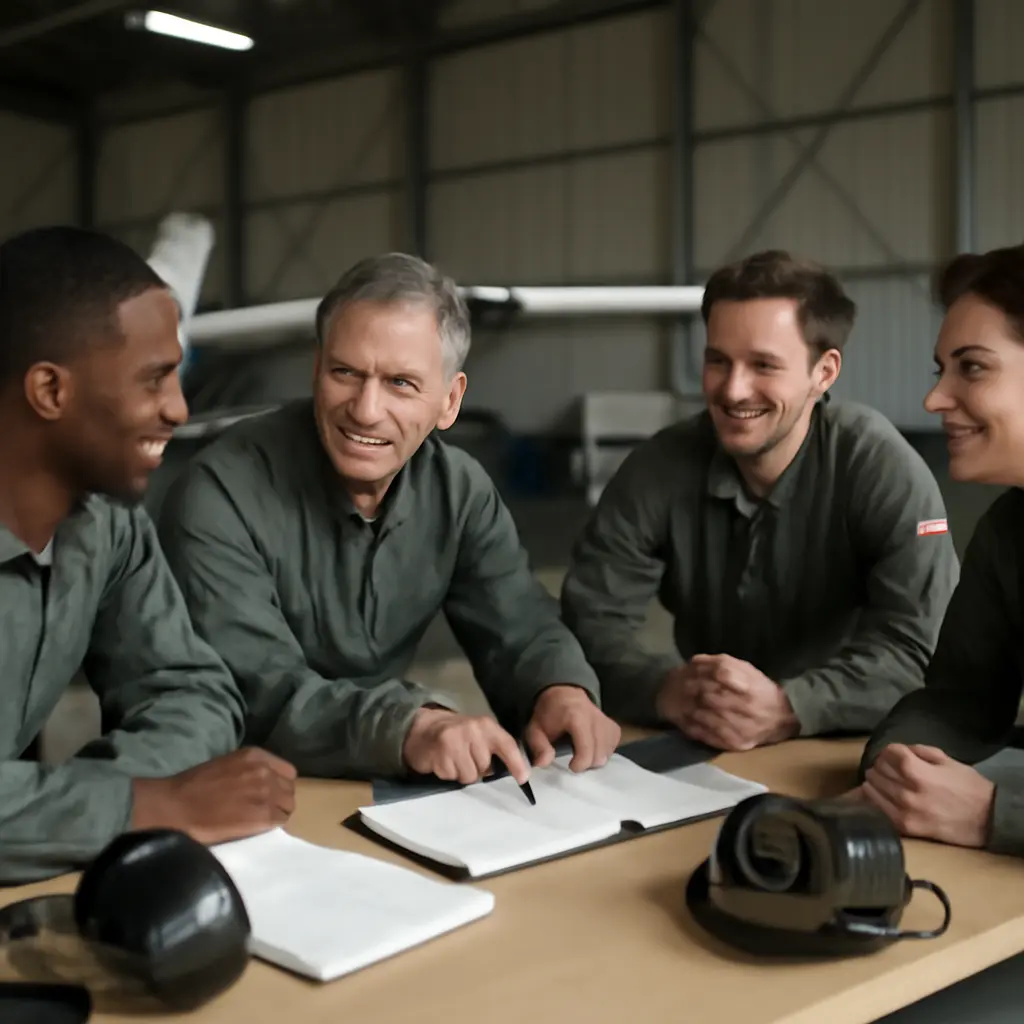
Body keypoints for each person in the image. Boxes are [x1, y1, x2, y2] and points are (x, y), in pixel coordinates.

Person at [157, 253, 620, 787]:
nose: (366, 409)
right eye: (345, 373)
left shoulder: (458, 492)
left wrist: (560, 690)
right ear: (316, 369)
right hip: (229, 788)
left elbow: (520, 624)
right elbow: (260, 691)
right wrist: (411, 728)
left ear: (450, 401)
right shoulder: (219, 494)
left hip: (373, 782)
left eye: (400, 383)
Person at [560, 250, 959, 752]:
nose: (733, 390)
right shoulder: (657, 468)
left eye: (764, 365)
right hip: (703, 736)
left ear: (824, 372)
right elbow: (586, 625)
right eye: (717, 361)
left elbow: (923, 648)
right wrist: (664, 689)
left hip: (846, 740)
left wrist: (791, 706)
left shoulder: (880, 468)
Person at [0, 226, 296, 885]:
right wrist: (144, 806)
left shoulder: (108, 527)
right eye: (154, 380)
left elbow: (192, 691)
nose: (179, 409)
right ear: (50, 391)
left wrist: (76, 810)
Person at [856, 243, 1024, 857]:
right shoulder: (1008, 530)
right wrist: (899, 767)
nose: (934, 400)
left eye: (972, 368)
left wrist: (994, 814)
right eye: (940, 371)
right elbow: (960, 702)